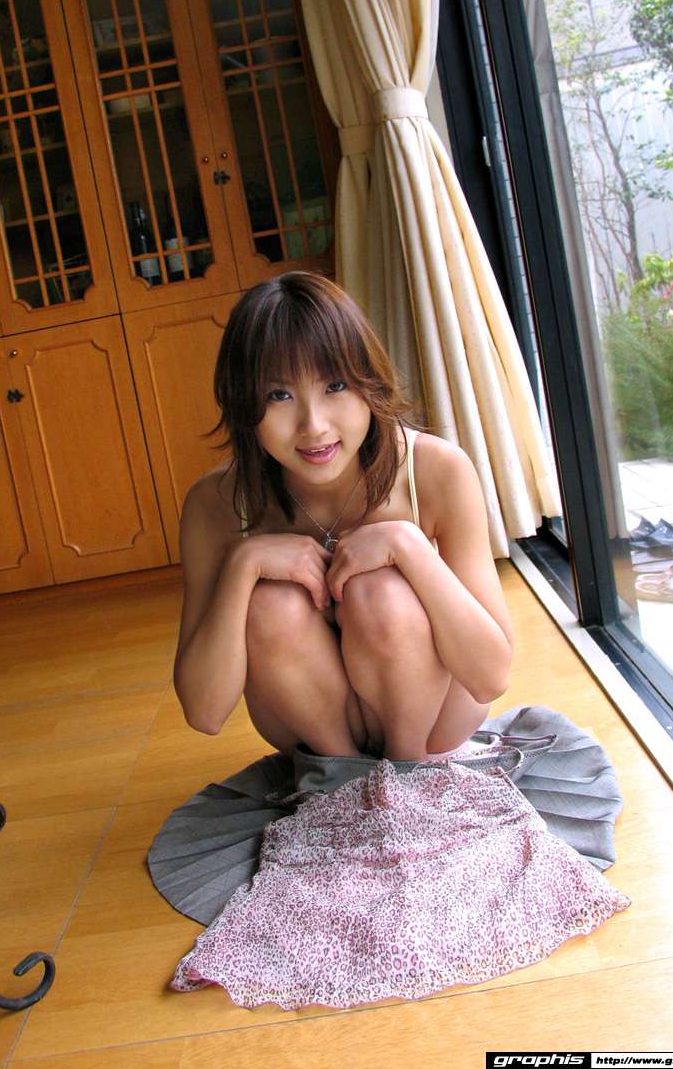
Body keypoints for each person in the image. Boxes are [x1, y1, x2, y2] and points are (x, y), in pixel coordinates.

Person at [173, 270, 514, 764]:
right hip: (314, 732)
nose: (314, 426)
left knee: (381, 591)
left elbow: (491, 677)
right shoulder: (215, 503)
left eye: (335, 385)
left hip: (434, 722)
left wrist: (410, 548)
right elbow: (204, 712)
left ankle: (407, 770)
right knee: (268, 603)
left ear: (368, 381)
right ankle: (344, 777)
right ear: (243, 403)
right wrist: (244, 565)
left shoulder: (435, 469)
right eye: (278, 395)